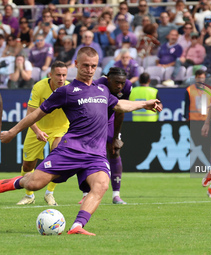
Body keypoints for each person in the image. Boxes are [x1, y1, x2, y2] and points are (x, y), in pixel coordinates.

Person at [0, 47, 162, 236]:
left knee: (101, 184)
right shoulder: (66, 91)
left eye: (93, 66)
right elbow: (36, 113)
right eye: (85, 65)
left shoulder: (102, 89)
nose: (90, 69)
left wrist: (144, 104)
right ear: (76, 64)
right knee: (33, 184)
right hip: (70, 150)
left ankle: (77, 225)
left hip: (95, 154)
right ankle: (5, 184)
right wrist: (12, 132)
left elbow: (119, 105)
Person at [15, 61, 69, 205]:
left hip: (61, 128)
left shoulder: (70, 88)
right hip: (37, 127)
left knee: (58, 154)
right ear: (50, 74)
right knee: (27, 165)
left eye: (64, 75)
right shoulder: (39, 87)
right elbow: (30, 114)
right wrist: (38, 131)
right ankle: (29, 196)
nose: (61, 78)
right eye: (58, 75)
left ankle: (49, 193)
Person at [79, 67, 134, 205]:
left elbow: (121, 112)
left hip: (111, 117)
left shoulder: (127, 87)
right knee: (87, 152)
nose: (120, 86)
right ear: (108, 79)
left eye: (122, 82)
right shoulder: (98, 84)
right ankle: (86, 193)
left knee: (114, 151)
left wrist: (115, 137)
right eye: (116, 82)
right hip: (95, 117)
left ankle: (116, 195)